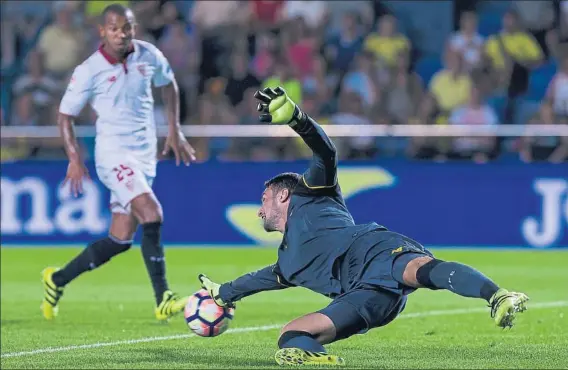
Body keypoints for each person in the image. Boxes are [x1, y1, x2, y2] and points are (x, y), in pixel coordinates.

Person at [198, 87, 529, 366]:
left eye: (264, 198)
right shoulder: (287, 264)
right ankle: (320, 360)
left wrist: (299, 120)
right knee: (290, 337)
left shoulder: (311, 194)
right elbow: (255, 282)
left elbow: (325, 152)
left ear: (284, 194)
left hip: (372, 250)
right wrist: (223, 293)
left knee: (418, 270)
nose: (259, 210)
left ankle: (497, 296)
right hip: (363, 296)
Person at [41, 4, 196, 322]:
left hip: (144, 157)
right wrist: (74, 157)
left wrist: (174, 129)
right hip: (113, 157)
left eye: (127, 28)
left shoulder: (149, 55)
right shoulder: (89, 69)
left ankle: (56, 280)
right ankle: (163, 297)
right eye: (114, 29)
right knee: (152, 213)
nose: (122, 34)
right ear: (103, 31)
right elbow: (65, 115)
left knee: (120, 239)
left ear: (133, 28)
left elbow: (169, 85)